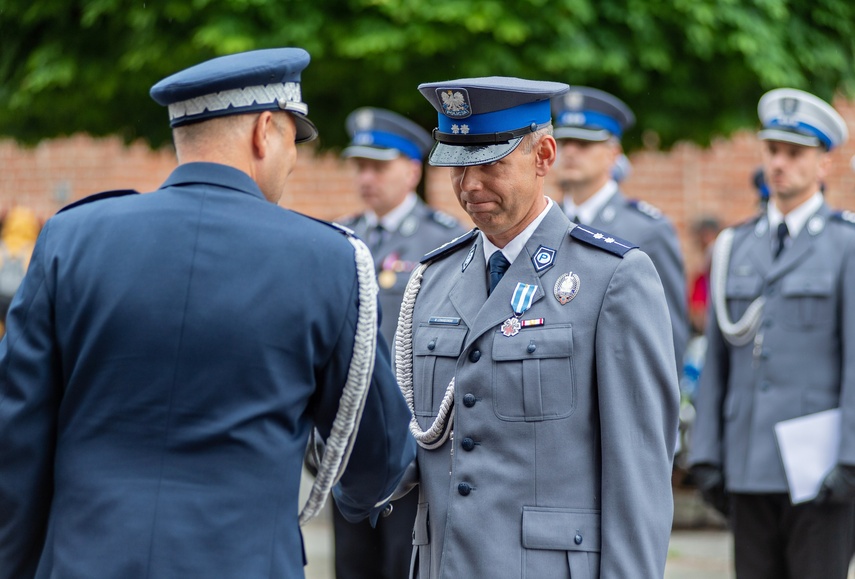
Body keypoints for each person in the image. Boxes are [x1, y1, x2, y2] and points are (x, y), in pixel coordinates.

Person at [0, 48, 416, 579]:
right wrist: (358, 500)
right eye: (294, 138)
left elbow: (16, 439)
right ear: (265, 131)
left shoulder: (70, 238)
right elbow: (377, 457)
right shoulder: (329, 259)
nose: (294, 159)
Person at [393, 76, 679, 578]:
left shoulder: (612, 277)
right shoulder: (432, 280)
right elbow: (409, 446)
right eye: (457, 165)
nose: (470, 185)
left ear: (544, 155)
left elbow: (638, 478)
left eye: (489, 163)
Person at [689, 87, 855, 579]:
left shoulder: (846, 245)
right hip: (747, 460)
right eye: (773, 151)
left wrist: (851, 458)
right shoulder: (734, 246)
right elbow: (718, 359)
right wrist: (706, 453)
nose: (780, 164)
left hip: (821, 468)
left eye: (795, 154)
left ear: (823, 164)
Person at [332, 107, 466, 579]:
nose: (366, 177)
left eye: (379, 166)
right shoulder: (342, 239)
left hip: (414, 437)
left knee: (405, 563)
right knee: (352, 564)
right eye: (360, 166)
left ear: (411, 170)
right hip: (351, 439)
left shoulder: (444, 241)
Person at [551, 87, 688, 373]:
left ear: (613, 154)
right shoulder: (545, 223)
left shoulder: (647, 230)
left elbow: (669, 335)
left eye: (584, 143)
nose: (571, 153)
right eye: (564, 143)